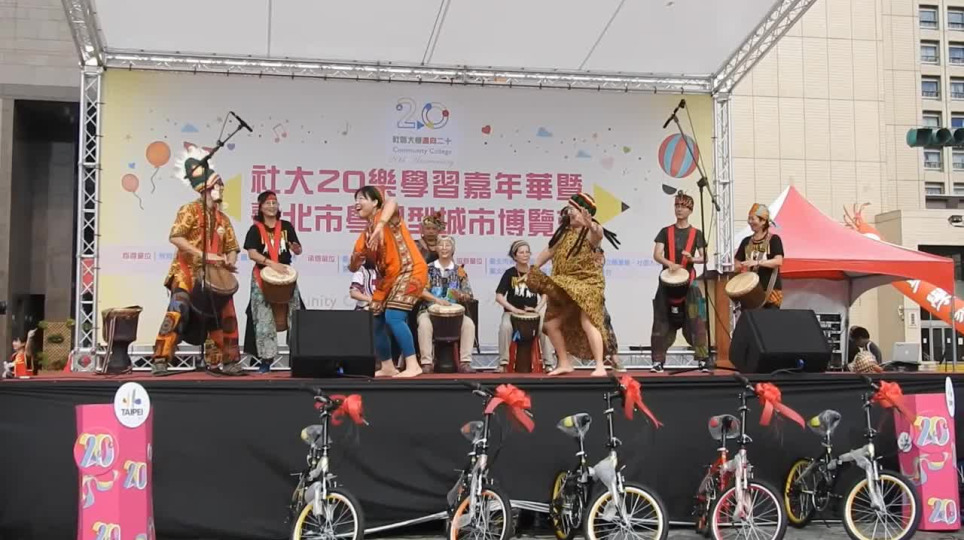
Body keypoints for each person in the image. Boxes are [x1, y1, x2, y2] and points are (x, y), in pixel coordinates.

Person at [152, 146, 242, 376]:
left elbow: (232, 247)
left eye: (221, 185)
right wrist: (203, 254)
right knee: (178, 309)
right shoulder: (189, 210)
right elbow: (176, 237)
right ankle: (161, 358)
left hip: (215, 276)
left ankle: (229, 361)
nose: (220, 189)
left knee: (227, 315)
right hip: (187, 271)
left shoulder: (224, 219)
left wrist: (229, 262)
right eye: (217, 186)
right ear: (205, 189)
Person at [526, 192, 620, 377]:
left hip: (588, 285)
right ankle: (564, 363)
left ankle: (600, 366)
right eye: (569, 209)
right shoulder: (563, 233)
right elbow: (549, 251)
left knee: (587, 321)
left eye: (573, 210)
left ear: (584, 212)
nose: (569, 213)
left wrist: (590, 224)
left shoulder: (590, 232)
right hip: (565, 286)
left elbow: (598, 234)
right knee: (551, 324)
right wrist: (534, 267)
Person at [349, 186, 427, 377]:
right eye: (356, 199)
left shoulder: (388, 217)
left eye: (362, 198)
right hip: (388, 279)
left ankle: (413, 365)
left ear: (375, 202)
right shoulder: (366, 234)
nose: (357, 203)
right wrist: (355, 260)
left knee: (394, 317)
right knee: (375, 321)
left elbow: (392, 202)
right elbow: (353, 266)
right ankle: (387, 366)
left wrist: (380, 225)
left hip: (410, 270)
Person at [242, 190, 304, 374]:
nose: (271, 206)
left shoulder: (286, 226)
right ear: (260, 207)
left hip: (285, 275)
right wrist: (270, 264)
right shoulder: (255, 229)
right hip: (262, 276)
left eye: (274, 203)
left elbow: (297, 249)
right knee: (263, 318)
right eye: (267, 203)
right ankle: (265, 361)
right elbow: (252, 253)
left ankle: (299, 359)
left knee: (295, 315)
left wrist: (296, 248)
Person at [650, 191, 711, 372]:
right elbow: (657, 254)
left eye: (683, 207)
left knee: (697, 321)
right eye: (677, 206)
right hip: (666, 284)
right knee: (661, 321)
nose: (679, 209)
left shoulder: (696, 233)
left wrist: (692, 258)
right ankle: (658, 361)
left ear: (690, 210)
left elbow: (704, 257)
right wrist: (669, 264)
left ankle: (702, 359)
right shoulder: (665, 232)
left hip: (689, 284)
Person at [417, 235, 476, 373]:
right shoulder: (427, 269)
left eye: (448, 245)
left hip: (454, 313)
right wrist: (436, 300)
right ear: (436, 248)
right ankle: (427, 362)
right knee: (424, 324)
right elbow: (420, 291)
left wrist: (461, 295)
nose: (444, 248)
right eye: (441, 245)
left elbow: (469, 294)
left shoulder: (459, 271)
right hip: (429, 310)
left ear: (453, 249)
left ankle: (465, 362)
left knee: (468, 324)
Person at [495, 240, 552, 372]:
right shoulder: (510, 273)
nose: (525, 255)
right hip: (511, 313)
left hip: (533, 314)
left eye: (527, 252)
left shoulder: (535, 273)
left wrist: (537, 309)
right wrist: (514, 309)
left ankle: (549, 364)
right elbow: (499, 296)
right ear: (514, 256)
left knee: (545, 328)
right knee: (505, 328)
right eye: (521, 252)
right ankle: (503, 363)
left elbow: (545, 293)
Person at [734, 203, 784, 309]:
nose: (750, 222)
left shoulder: (774, 239)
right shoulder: (746, 241)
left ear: (763, 221)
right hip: (750, 292)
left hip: (770, 292)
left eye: (753, 219)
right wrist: (738, 268)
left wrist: (757, 262)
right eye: (749, 219)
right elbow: (737, 263)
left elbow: (778, 261)